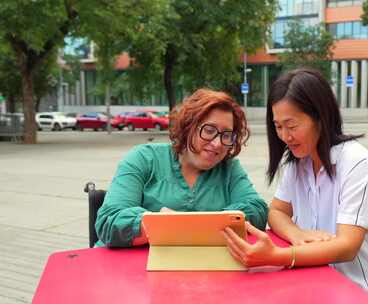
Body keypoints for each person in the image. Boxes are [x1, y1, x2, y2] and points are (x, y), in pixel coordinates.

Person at [223, 68, 368, 304]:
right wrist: (297, 234)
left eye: (291, 125)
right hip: (322, 281)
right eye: (278, 126)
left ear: (320, 117)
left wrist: (278, 255)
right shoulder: (297, 163)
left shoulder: (356, 162)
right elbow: (277, 211)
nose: (284, 136)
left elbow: (346, 247)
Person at [96, 89, 268, 247]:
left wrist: (189, 226)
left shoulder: (228, 168)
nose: (217, 144)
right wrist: (160, 224)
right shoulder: (143, 158)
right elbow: (109, 221)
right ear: (188, 127)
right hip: (130, 270)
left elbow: (257, 209)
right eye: (209, 130)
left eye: (227, 135)